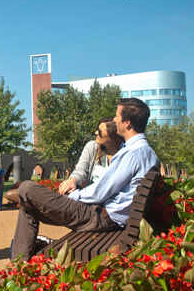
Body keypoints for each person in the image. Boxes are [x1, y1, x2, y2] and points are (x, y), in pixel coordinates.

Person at [11, 98, 159, 261]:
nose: (115, 119)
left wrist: (72, 196)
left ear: (128, 123)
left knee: (27, 188)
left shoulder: (131, 154)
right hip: (108, 217)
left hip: (101, 218)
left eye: (117, 116)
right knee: (28, 205)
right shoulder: (148, 153)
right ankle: (19, 263)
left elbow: (99, 192)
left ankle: (18, 264)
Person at [58, 117, 125, 195]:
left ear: (112, 136)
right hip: (88, 197)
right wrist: (73, 180)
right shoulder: (92, 147)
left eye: (100, 131)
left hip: (103, 202)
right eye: (97, 129)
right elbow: (80, 171)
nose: (96, 132)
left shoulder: (124, 155)